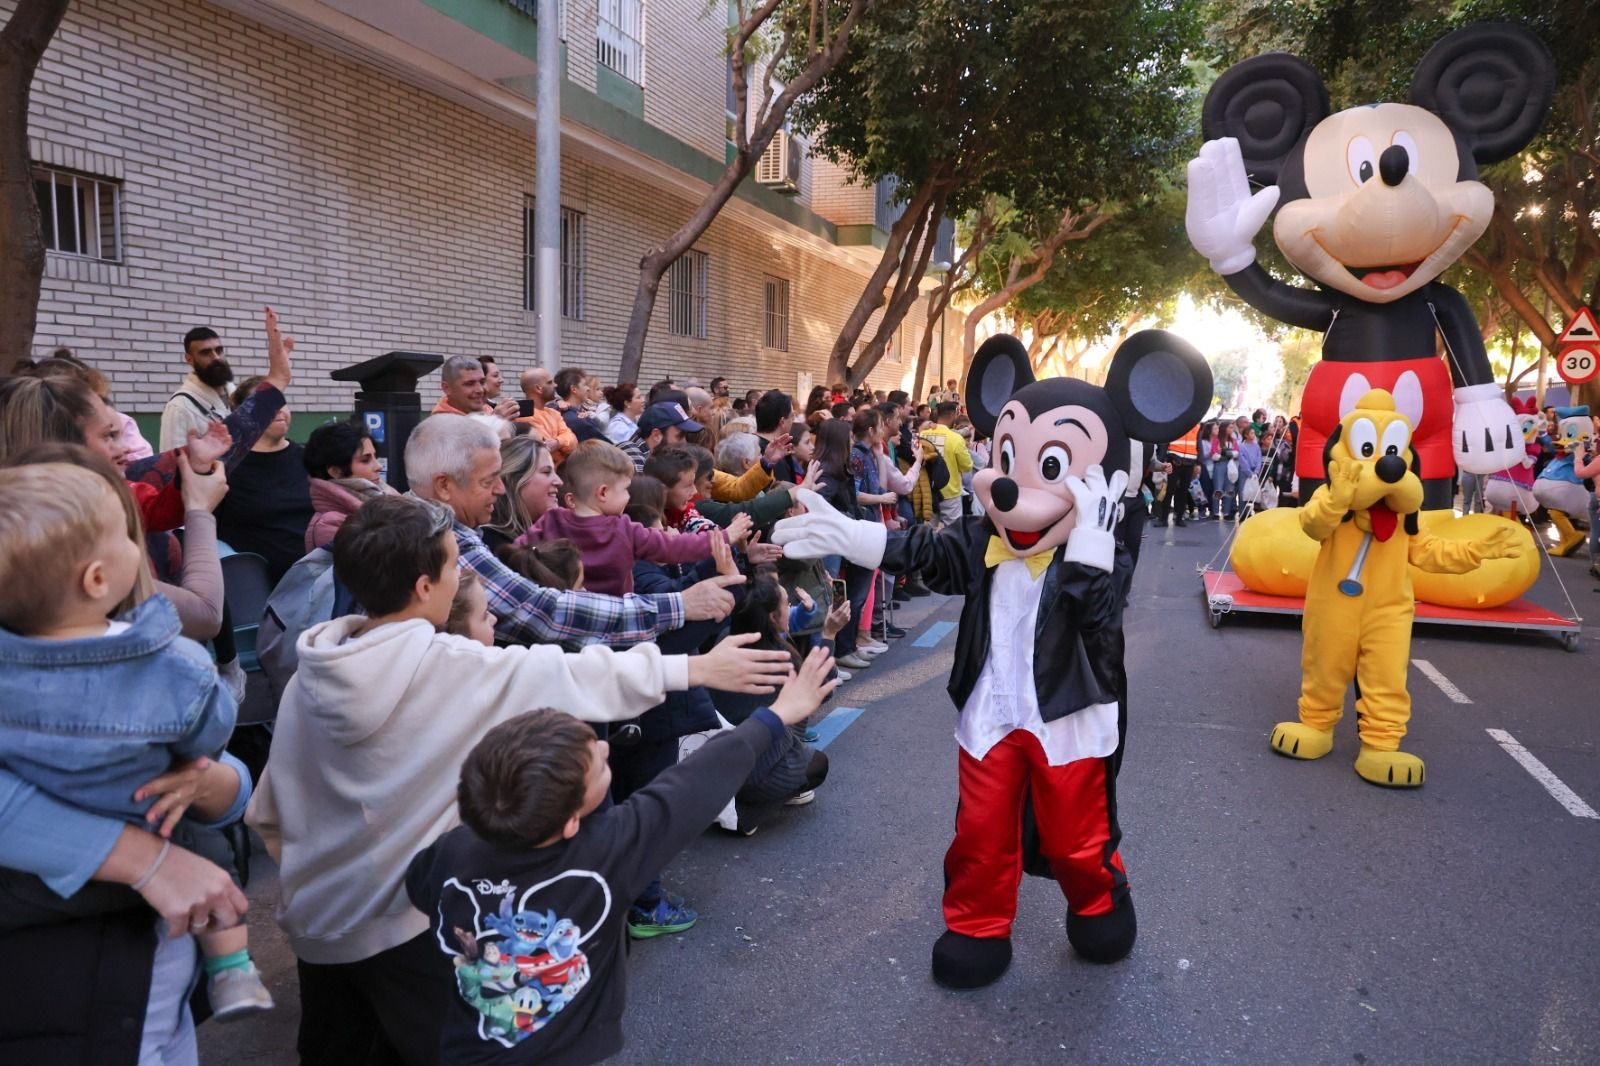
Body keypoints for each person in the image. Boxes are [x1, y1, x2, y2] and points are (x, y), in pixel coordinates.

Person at [248, 494, 794, 1063]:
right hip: (403, 929)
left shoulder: (313, 670)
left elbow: (269, 809)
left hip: (315, 922)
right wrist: (696, 667)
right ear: (424, 587)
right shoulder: (453, 666)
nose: (462, 573)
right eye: (453, 565)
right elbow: (570, 671)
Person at [407, 642, 834, 1062]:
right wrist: (777, 716)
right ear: (571, 821)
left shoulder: (452, 850)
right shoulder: (608, 853)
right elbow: (694, 783)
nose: (606, 746)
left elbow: (419, 888)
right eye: (595, 762)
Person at [0, 463, 274, 1028]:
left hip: (41, 883)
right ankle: (233, 970)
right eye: (130, 538)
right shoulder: (163, 660)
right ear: (98, 580)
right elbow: (211, 730)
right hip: (162, 832)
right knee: (216, 857)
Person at [405, 415, 742, 649]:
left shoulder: (455, 531)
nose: (499, 489)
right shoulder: (442, 540)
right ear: (445, 486)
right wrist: (679, 605)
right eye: (488, 480)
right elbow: (541, 611)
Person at [513, 440, 727, 597]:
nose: (629, 496)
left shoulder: (552, 519)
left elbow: (515, 553)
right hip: (618, 620)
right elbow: (673, 546)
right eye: (625, 489)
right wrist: (723, 537)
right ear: (603, 493)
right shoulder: (624, 530)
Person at [212, 376, 314, 582]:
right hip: (252, 589)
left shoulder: (310, 457)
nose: (279, 409)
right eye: (266, 403)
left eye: (281, 401)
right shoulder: (225, 467)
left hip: (312, 580)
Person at [303, 418, 398, 551]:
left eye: (375, 457)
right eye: (365, 460)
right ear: (336, 472)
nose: (378, 466)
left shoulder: (385, 497)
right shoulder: (329, 525)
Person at [480, 434, 562, 554]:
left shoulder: (552, 532)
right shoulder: (491, 544)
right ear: (513, 480)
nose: (559, 482)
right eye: (546, 472)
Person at [160, 325, 234, 451]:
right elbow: (172, 463)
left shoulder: (236, 394)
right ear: (189, 359)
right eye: (206, 352)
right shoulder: (179, 407)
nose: (216, 357)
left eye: (219, 350)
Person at [920, 401, 974, 526]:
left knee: (928, 532)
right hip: (950, 492)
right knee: (954, 533)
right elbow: (967, 466)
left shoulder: (923, 434)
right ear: (952, 415)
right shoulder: (955, 438)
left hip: (928, 491)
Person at [617, 400, 703, 471]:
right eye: (680, 436)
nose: (685, 442)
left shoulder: (655, 458)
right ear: (656, 435)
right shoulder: (630, 458)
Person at [515, 366, 579, 462]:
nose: (555, 385)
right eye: (550, 382)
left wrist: (558, 442)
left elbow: (573, 441)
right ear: (538, 388)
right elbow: (546, 448)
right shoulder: (524, 416)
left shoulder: (554, 413)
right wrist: (562, 442)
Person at [553, 367, 607, 444]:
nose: (588, 389)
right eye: (585, 385)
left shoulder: (557, 411)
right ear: (574, 389)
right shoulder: (578, 421)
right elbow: (607, 448)